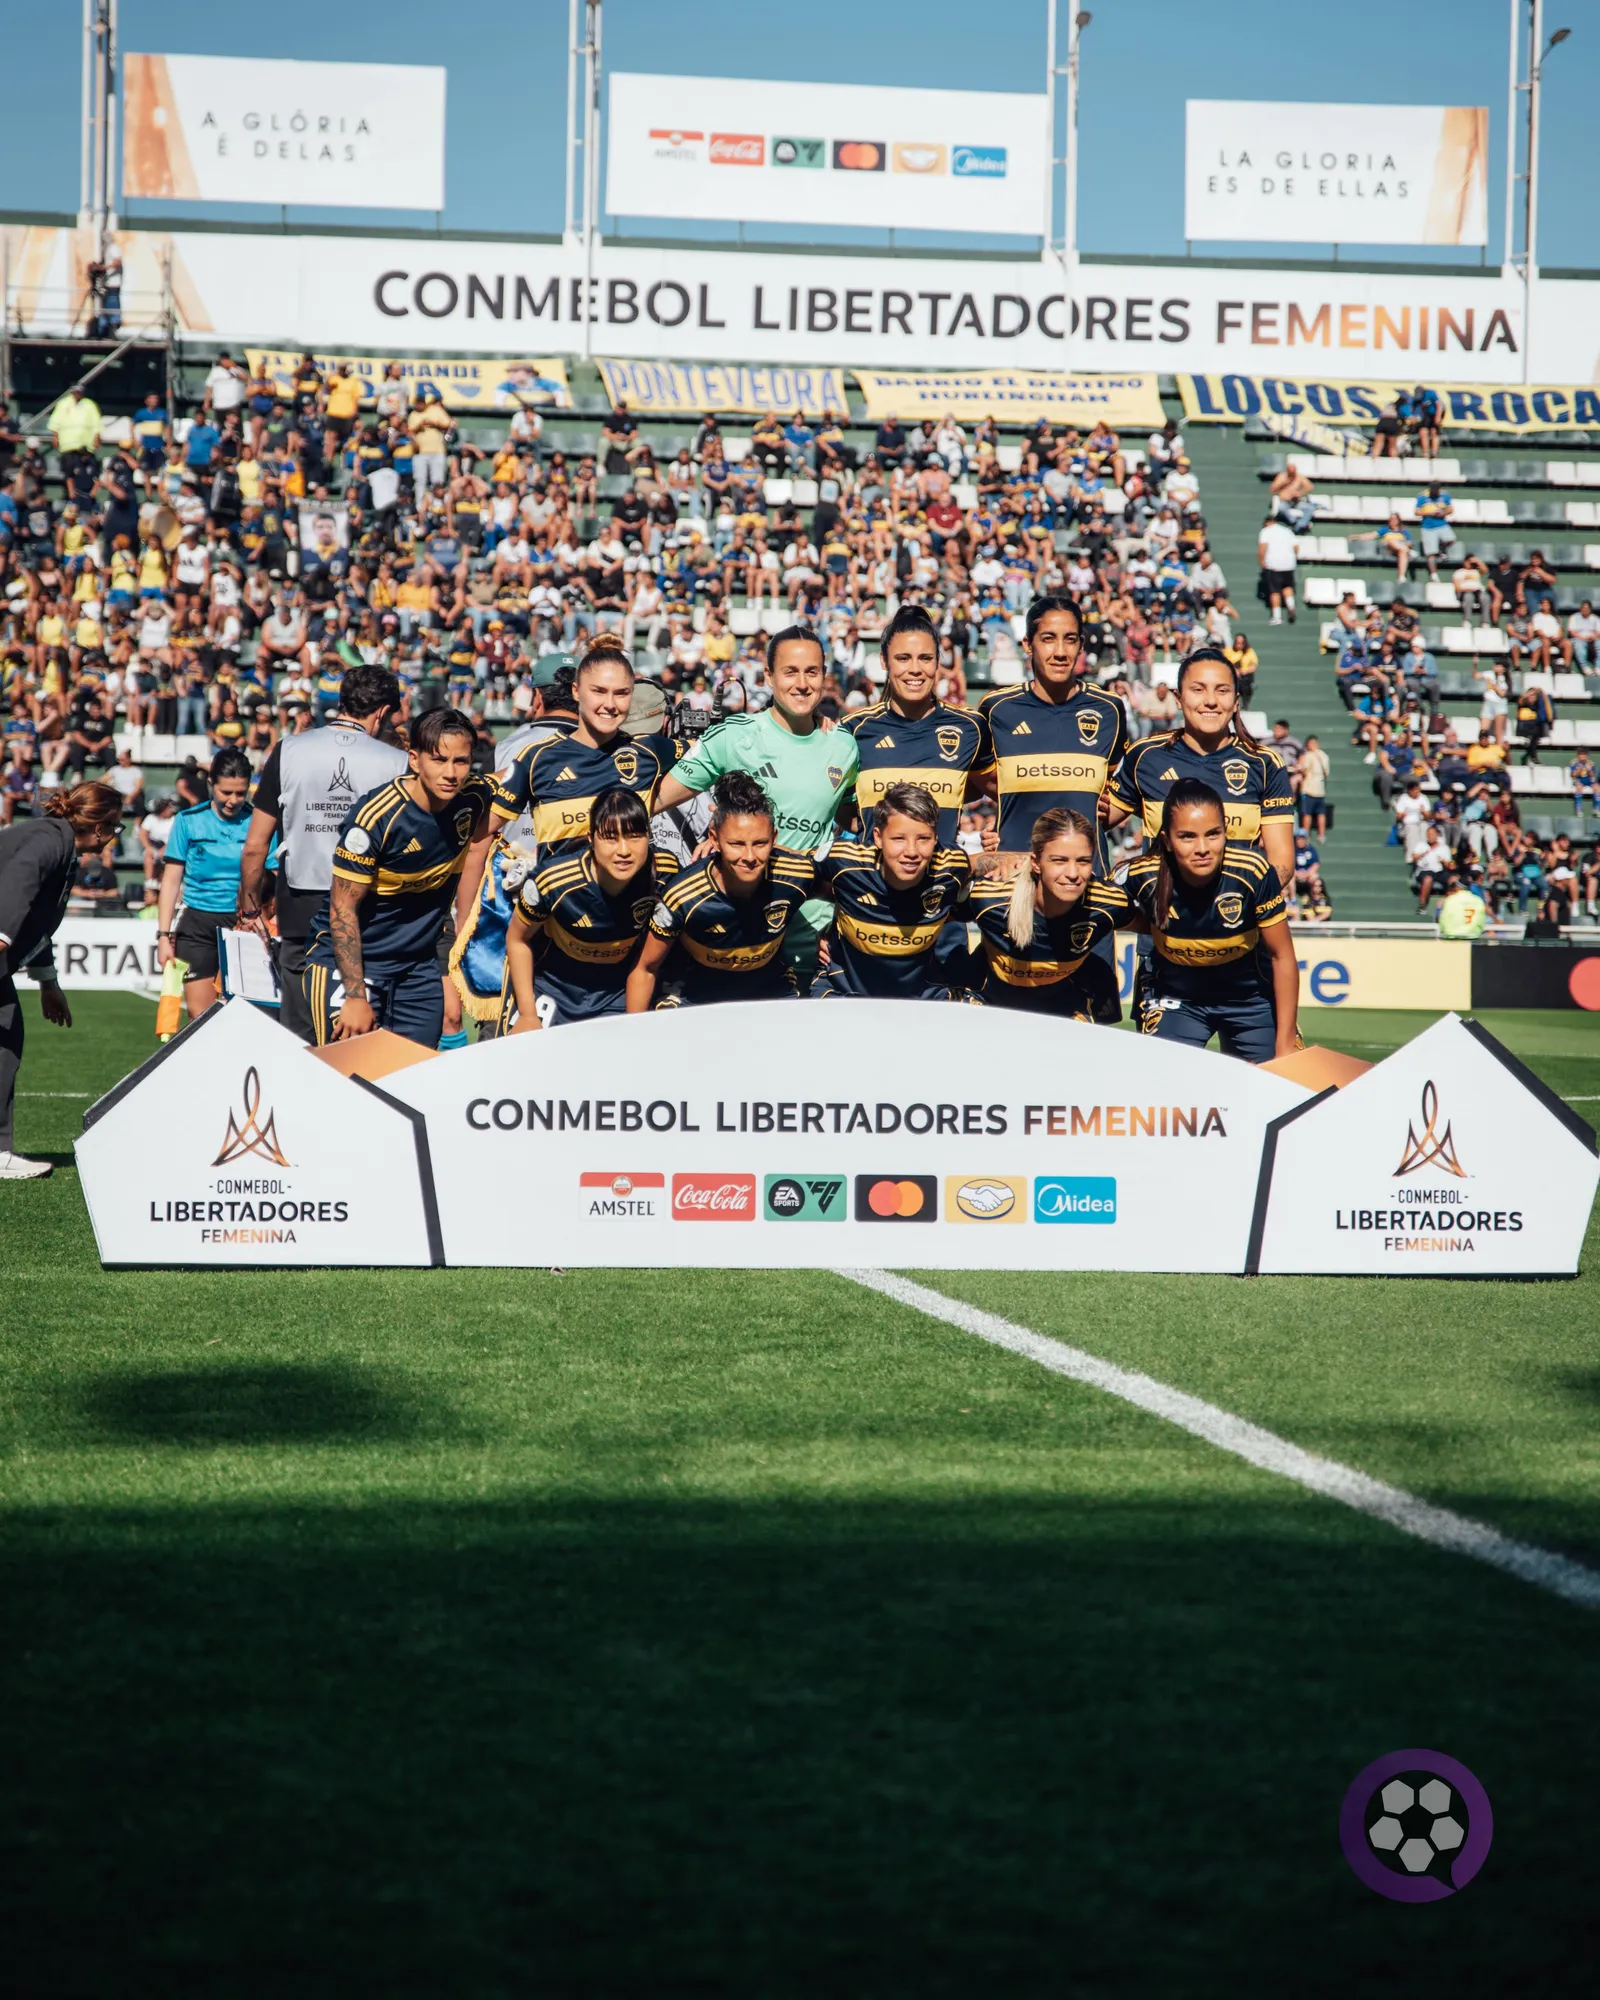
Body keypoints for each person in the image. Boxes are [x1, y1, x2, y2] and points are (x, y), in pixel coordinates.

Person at [653, 627, 859, 984]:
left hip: (811, 935)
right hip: (735, 935)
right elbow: (653, 801)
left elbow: (851, 825)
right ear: (768, 676)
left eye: (812, 672)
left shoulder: (843, 746)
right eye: (790, 672)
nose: (802, 683)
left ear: (824, 676)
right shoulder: (733, 735)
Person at [304, 707, 496, 1047]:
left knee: (415, 1073)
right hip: (351, 967)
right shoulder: (376, 817)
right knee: (348, 1073)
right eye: (439, 760)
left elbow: (524, 771)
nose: (451, 773)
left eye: (461, 761)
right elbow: (342, 909)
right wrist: (355, 995)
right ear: (415, 759)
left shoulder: (474, 797)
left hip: (417, 971)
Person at [239, 663, 406, 1044]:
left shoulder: (289, 749)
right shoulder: (396, 762)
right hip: (367, 911)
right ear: (382, 712)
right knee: (363, 1035)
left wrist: (249, 910)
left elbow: (254, 847)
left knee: (299, 1033)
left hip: (299, 906)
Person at [1123, 779, 1298, 1063]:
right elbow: (1097, 905)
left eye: (1213, 834)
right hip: (1177, 998)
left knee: (1279, 1081)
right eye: (1187, 837)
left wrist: (1286, 1045)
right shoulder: (1141, 875)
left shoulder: (1253, 872)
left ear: (1226, 832)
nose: (1202, 848)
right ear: (1167, 840)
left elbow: (1282, 956)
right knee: (1163, 1081)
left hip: (1249, 1000)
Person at [0, 782, 123, 1178]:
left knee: (6, 1034)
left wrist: (48, 983)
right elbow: (17, 884)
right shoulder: (50, 840)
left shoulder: (60, 843)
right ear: (100, 827)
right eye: (116, 826)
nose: (115, 835)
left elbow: (36, 922)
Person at [1105, 647, 1296, 886]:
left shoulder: (1265, 764)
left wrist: (1238, 904)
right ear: (1178, 698)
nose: (1211, 701)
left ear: (1236, 701)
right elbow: (1091, 822)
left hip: (1237, 909)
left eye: (1222, 690)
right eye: (1198, 689)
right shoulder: (1146, 756)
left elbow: (1282, 864)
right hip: (1160, 910)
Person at [628, 772, 815, 1009]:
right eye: (736, 844)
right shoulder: (683, 896)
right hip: (699, 1000)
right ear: (714, 839)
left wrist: (829, 932)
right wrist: (632, 1031)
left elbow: (844, 884)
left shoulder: (797, 875)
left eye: (760, 843)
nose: (749, 857)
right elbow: (645, 969)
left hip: (771, 993)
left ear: (774, 838)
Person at [503, 786, 678, 1029]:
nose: (624, 851)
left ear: (649, 836)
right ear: (591, 839)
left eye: (634, 836)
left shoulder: (665, 871)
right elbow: (517, 939)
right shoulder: (552, 881)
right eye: (610, 837)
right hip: (552, 990)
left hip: (616, 994)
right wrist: (527, 1014)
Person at [975, 596, 1129, 868]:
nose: (1060, 651)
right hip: (1013, 874)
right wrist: (1002, 823)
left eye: (1070, 639)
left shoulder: (1109, 710)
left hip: (1087, 877)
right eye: (1048, 639)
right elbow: (985, 782)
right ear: (1027, 645)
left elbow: (1105, 792)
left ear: (1081, 645)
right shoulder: (996, 709)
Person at [838, 604, 990, 847]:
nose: (915, 669)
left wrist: (998, 833)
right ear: (884, 661)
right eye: (903, 658)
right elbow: (839, 808)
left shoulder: (970, 727)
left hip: (945, 872)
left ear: (938, 661)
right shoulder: (853, 729)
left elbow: (1006, 792)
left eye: (925, 658)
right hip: (871, 872)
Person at [811, 782, 975, 1001]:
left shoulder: (952, 867)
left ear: (936, 838)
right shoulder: (843, 860)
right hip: (842, 993)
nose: (911, 852)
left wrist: (1009, 859)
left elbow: (980, 881)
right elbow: (788, 873)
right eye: (899, 838)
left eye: (923, 838)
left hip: (921, 999)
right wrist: (830, 928)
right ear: (878, 838)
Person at [964, 806, 1123, 1018]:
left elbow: (1148, 924)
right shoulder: (990, 898)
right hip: (991, 1007)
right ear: (1036, 863)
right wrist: (1003, 859)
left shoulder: (1109, 901)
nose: (1073, 873)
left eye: (1083, 861)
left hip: (1063, 1012)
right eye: (1059, 860)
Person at [157, 749, 267, 1023]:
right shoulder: (188, 820)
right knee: (201, 1017)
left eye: (240, 793)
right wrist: (163, 935)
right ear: (211, 785)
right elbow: (171, 880)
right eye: (226, 792)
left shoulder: (260, 823)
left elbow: (273, 876)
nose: (233, 800)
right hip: (197, 925)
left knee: (246, 1017)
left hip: (244, 925)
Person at [1437, 872, 1489, 940]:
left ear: (1457, 886)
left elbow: (1443, 922)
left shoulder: (1450, 900)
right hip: (1472, 938)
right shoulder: (1478, 901)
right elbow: (1481, 923)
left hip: (1452, 938)